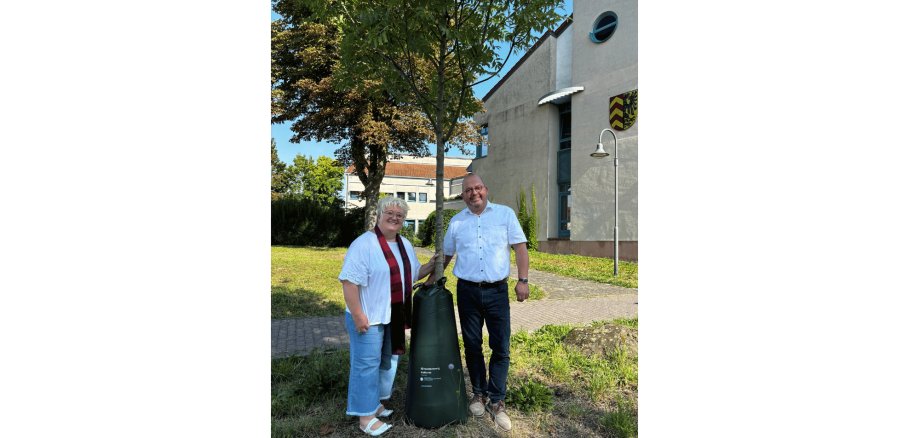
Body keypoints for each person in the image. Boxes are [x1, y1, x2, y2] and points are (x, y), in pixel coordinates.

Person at [428, 173, 529, 432]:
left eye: (478, 188)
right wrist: (431, 280)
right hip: (467, 292)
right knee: (472, 345)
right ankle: (479, 394)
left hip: (497, 292)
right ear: (462, 195)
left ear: (486, 189)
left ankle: (497, 401)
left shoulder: (505, 215)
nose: (474, 193)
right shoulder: (457, 223)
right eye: (468, 190)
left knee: (501, 346)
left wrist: (523, 280)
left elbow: (520, 248)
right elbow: (447, 255)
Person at [339, 196, 437, 436]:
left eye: (400, 215)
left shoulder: (404, 244)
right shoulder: (365, 244)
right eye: (390, 213)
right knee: (366, 366)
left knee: (384, 363)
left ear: (404, 220)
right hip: (369, 317)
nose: (395, 217)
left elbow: (412, 274)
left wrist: (434, 264)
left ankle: (374, 404)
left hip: (392, 315)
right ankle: (365, 417)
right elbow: (349, 282)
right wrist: (359, 314)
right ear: (379, 215)